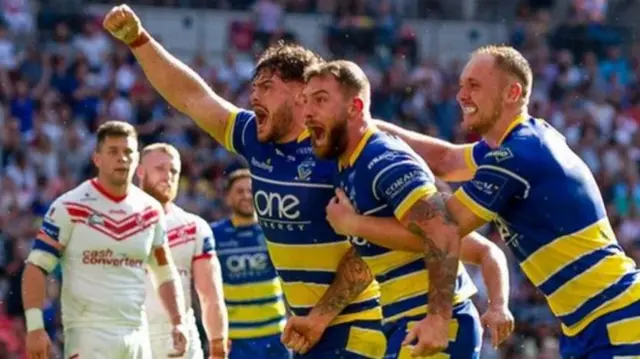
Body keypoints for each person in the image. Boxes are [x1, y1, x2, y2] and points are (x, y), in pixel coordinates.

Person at [103, 5, 386, 358]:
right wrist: (138, 39)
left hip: (359, 327)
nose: (253, 97)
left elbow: (371, 248)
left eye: (267, 87)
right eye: (253, 87)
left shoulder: (339, 148)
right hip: (309, 331)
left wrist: (320, 316)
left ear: (302, 94)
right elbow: (192, 97)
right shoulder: (255, 138)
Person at [377, 45, 640, 358]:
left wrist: (353, 223)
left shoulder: (517, 155)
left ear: (512, 93)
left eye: (474, 86)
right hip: (589, 323)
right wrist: (366, 128)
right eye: (461, 85)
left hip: (618, 318)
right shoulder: (523, 140)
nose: (461, 96)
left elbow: (442, 229)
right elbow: (446, 159)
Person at [289, 59, 513, 358]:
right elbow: (376, 251)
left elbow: (443, 230)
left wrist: (438, 318)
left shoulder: (382, 159)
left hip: (431, 326)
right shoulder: (349, 166)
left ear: (354, 108)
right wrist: (319, 319)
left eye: (320, 100)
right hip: (404, 326)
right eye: (305, 102)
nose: (308, 112)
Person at [21, 121, 188, 359]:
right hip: (88, 333)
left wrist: (178, 321)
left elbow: (163, 270)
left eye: (128, 152)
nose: (122, 158)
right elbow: (36, 266)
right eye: (113, 151)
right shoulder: (69, 207)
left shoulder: (151, 210)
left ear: (137, 159)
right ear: (97, 159)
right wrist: (35, 327)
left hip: (137, 333)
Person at [136, 143, 229, 359]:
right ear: (140, 171)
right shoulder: (117, 223)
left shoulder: (194, 226)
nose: (168, 176)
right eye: (160, 168)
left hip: (180, 344)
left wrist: (218, 346)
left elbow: (210, 296)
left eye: (174, 171)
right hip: (132, 340)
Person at [212, 164, 291, 359]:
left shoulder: (275, 230)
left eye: (251, 191)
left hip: (276, 334)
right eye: (239, 191)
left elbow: (291, 281)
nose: (246, 196)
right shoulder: (214, 235)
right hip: (237, 338)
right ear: (228, 197)